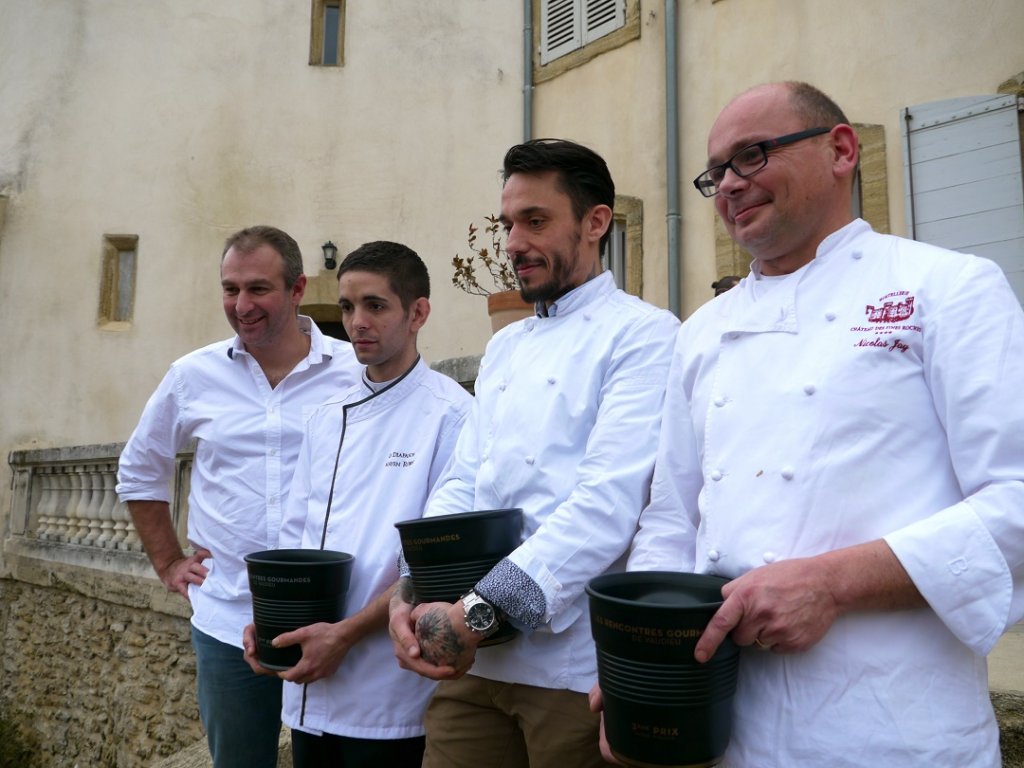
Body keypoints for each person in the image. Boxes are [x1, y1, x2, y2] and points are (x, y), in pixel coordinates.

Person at [607, 81, 1024, 766]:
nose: (730, 187)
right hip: (726, 725)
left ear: (841, 150)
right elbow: (672, 517)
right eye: (716, 173)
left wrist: (832, 582)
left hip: (894, 728)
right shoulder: (702, 332)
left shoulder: (948, 288)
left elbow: (1015, 499)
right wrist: (644, 674)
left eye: (753, 156)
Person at [388, 138, 680, 768]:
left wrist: (477, 614)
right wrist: (413, 593)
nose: (514, 242)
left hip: (569, 671)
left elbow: (607, 505)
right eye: (509, 224)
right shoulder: (506, 347)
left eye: (536, 221)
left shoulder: (644, 335)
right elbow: (465, 481)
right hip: (471, 666)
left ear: (596, 222)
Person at [116, 225, 359, 768]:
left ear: (297, 290)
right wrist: (168, 561)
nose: (241, 305)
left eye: (258, 289)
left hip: (332, 619)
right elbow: (139, 470)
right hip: (226, 618)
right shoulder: (192, 375)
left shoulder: (353, 372)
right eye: (231, 289)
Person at [241, 240, 473, 767]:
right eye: (347, 307)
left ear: (419, 313)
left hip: (387, 693)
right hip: (307, 678)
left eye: (375, 305)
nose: (357, 322)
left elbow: (433, 565)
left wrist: (344, 635)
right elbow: (296, 540)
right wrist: (271, 619)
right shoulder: (325, 416)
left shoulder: (451, 416)